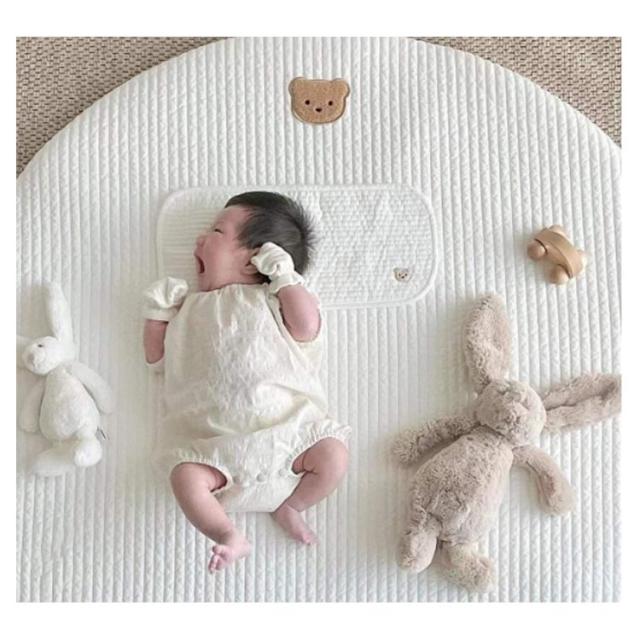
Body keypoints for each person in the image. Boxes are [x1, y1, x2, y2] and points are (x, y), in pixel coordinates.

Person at [142, 191, 350, 572]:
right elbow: (157, 360)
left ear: (256, 258)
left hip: (289, 441)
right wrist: (157, 313)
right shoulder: (188, 308)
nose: (199, 239)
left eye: (216, 232)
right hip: (212, 452)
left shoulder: (272, 300)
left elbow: (307, 326)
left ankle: (293, 506)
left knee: (334, 453)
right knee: (183, 477)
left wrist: (285, 277)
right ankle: (227, 533)